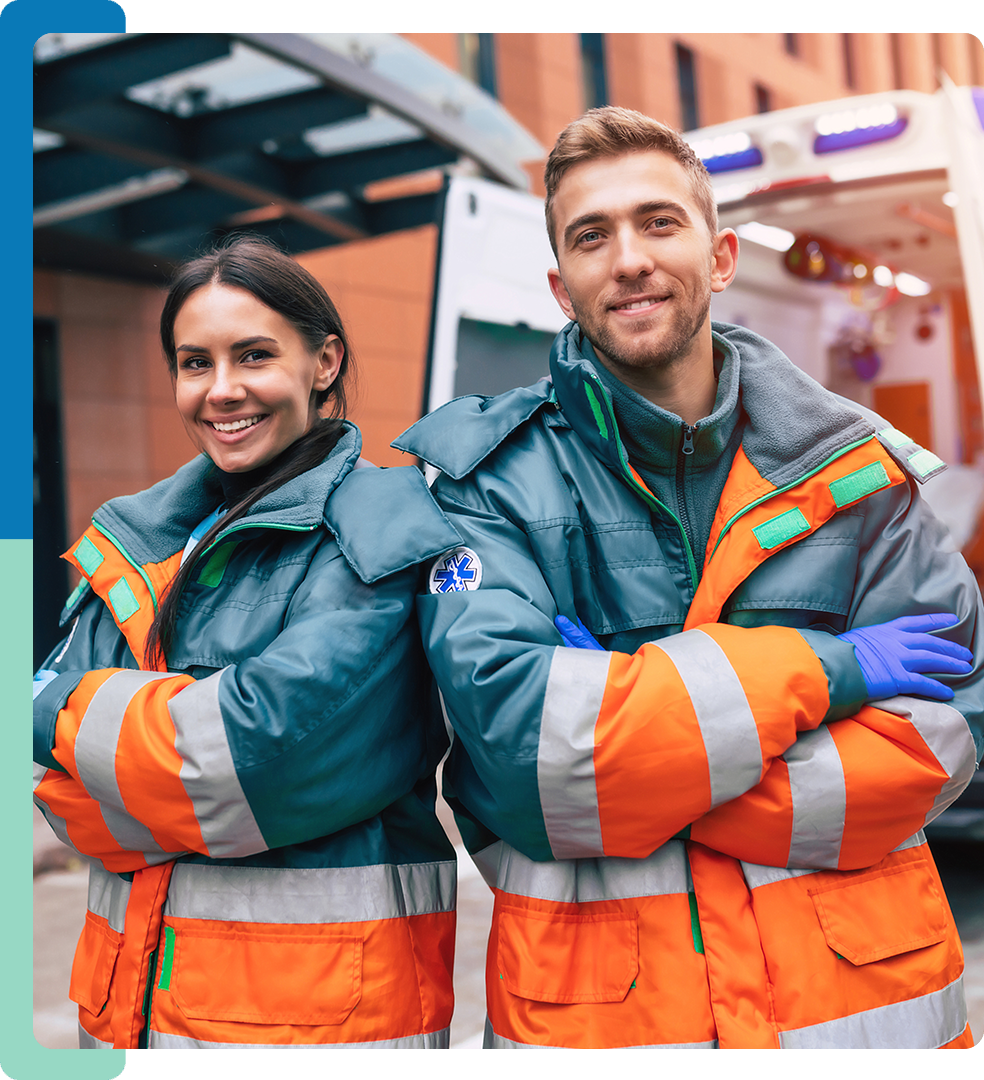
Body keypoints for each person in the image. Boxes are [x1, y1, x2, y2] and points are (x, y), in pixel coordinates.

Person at [395, 107, 984, 1054]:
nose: (628, 258)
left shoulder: (856, 469)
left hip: (860, 1026)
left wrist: (639, 746)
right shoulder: (482, 484)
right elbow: (523, 761)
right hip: (614, 1030)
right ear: (561, 283)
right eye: (593, 236)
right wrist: (826, 673)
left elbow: (955, 718)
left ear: (719, 258)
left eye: (659, 223)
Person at [33, 237, 461, 1051]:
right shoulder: (140, 538)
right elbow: (63, 797)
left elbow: (255, 756)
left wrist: (70, 721)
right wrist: (152, 757)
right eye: (195, 363)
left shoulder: (375, 531)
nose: (221, 391)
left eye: (254, 356)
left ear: (324, 362)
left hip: (317, 1025)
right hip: (130, 1015)